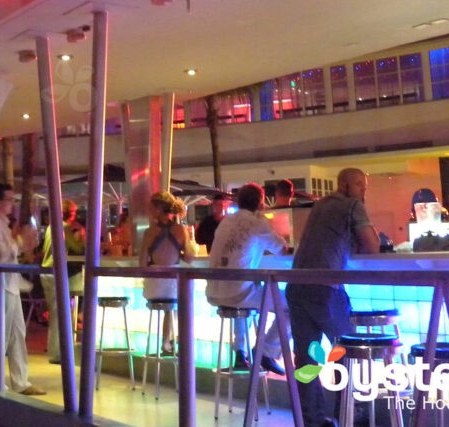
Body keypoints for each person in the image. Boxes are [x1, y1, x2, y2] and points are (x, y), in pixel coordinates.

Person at [286, 168, 380, 427]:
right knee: (348, 353)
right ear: (345, 185)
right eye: (360, 185)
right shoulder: (352, 206)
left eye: (365, 186)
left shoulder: (319, 206)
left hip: (296, 287)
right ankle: (350, 415)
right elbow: (373, 246)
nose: (363, 190)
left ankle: (313, 421)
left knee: (306, 360)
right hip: (325, 289)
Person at [205, 183, 286, 374]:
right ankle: (266, 351)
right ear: (261, 202)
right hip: (238, 293)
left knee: (245, 291)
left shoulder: (226, 221)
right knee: (295, 303)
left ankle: (240, 353)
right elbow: (282, 249)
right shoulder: (257, 222)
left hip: (213, 292)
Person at [0, 183, 46, 396]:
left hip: (10, 284)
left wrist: (21, 244)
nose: (12, 204)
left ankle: (20, 380)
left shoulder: (1, 224)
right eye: (9, 199)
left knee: (17, 332)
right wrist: (19, 242)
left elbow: (7, 253)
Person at [138, 191, 195, 354]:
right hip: (173, 282)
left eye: (151, 207)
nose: (148, 210)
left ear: (159, 208)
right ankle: (174, 342)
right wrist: (179, 252)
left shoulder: (149, 232)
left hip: (153, 285)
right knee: (176, 300)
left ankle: (168, 342)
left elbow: (142, 263)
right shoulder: (180, 229)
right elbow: (190, 258)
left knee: (170, 305)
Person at [40, 199, 85, 363]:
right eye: (73, 213)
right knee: (60, 315)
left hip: (46, 272)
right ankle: (58, 354)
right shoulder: (64, 227)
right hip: (56, 273)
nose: (75, 216)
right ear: (68, 214)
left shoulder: (51, 227)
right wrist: (82, 235)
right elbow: (79, 248)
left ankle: (57, 352)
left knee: (56, 315)